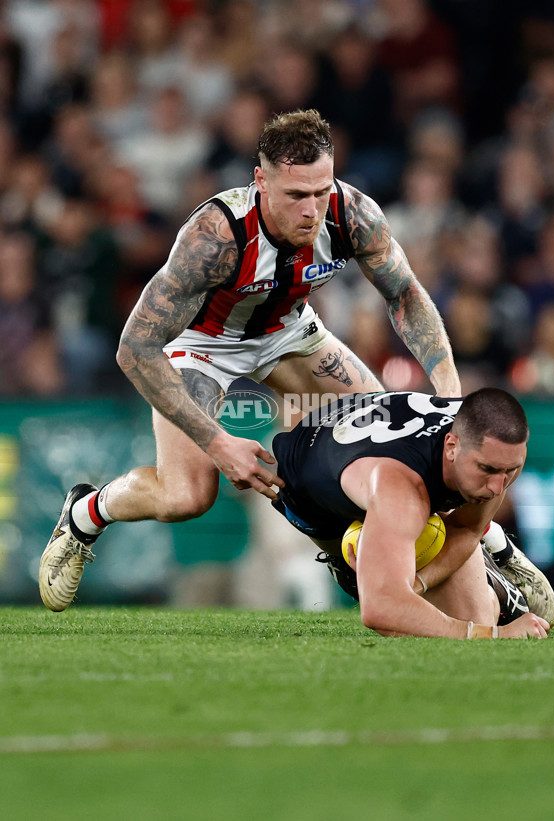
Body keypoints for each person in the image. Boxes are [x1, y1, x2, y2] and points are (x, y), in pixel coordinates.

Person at [39, 108, 461, 612]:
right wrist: (220, 444)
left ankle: (492, 553)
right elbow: (134, 349)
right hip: (201, 343)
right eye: (296, 195)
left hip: (288, 332)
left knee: (389, 444)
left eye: (321, 191)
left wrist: (449, 386)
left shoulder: (354, 215)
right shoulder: (215, 237)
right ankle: (87, 511)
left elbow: (406, 295)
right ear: (261, 181)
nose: (312, 211)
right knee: (187, 497)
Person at [271, 387, 554, 639]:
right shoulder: (401, 489)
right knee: (459, 625)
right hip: (317, 502)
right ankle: (496, 590)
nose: (498, 487)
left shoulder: (487, 434)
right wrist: (498, 634)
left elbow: (468, 529)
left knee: (469, 618)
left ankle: (492, 569)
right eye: (488, 469)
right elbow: (381, 609)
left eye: (511, 470)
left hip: (365, 444)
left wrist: (417, 586)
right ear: (451, 447)